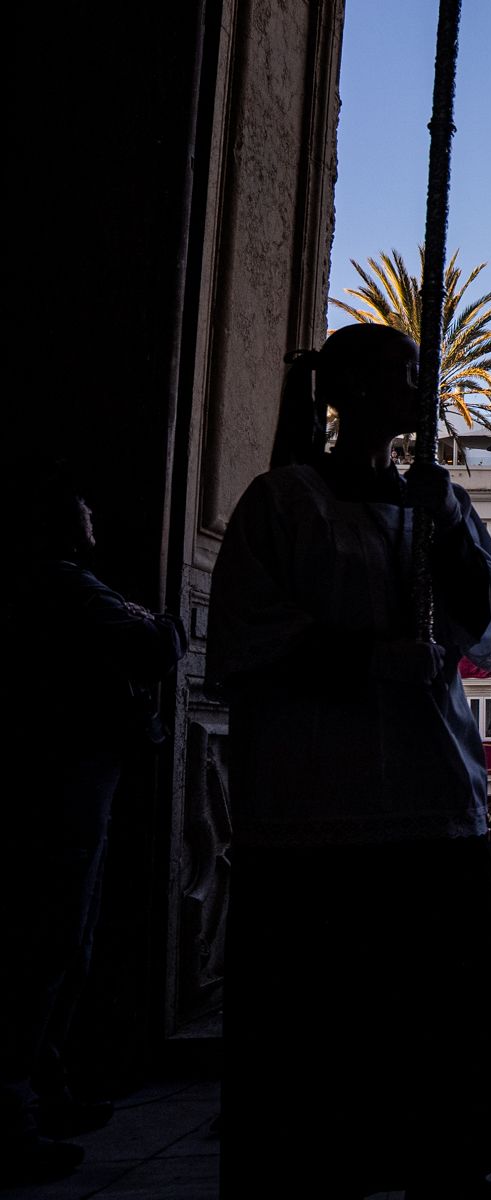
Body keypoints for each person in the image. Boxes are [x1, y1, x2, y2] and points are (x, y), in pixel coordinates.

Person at [207, 322, 491, 1198]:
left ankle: (448, 1167)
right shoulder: (284, 502)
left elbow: (488, 622)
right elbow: (246, 634)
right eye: (396, 373)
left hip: (428, 776)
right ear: (339, 392)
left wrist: (446, 530)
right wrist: (360, 655)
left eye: (419, 375)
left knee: (434, 997)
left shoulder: (441, 500)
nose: (413, 390)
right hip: (322, 789)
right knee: (325, 1005)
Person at [1, 472, 186, 1186]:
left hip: (63, 777)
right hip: (67, 782)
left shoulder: (48, 587)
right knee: (49, 940)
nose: (93, 519)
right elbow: (154, 647)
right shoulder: (70, 588)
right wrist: (164, 623)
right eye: (82, 510)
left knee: (55, 941)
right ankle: (18, 1111)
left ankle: (42, 1094)